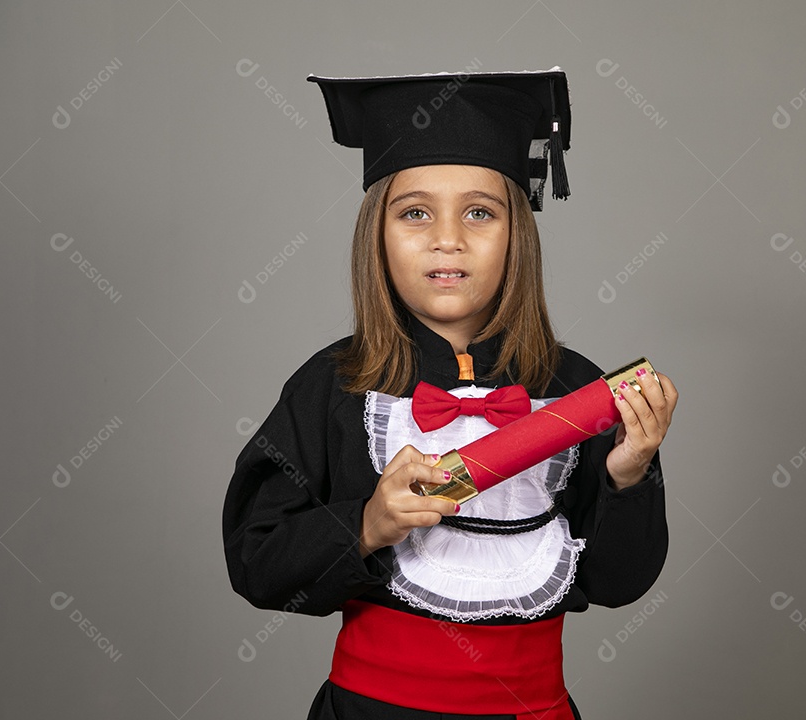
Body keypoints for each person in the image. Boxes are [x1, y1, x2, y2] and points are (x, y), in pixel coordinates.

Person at [222, 67, 679, 720]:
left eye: (479, 211)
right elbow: (256, 560)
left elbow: (618, 582)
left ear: (516, 233)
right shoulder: (335, 385)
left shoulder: (577, 387)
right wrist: (368, 524)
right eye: (415, 212)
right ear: (375, 234)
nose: (448, 238)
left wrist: (628, 475)